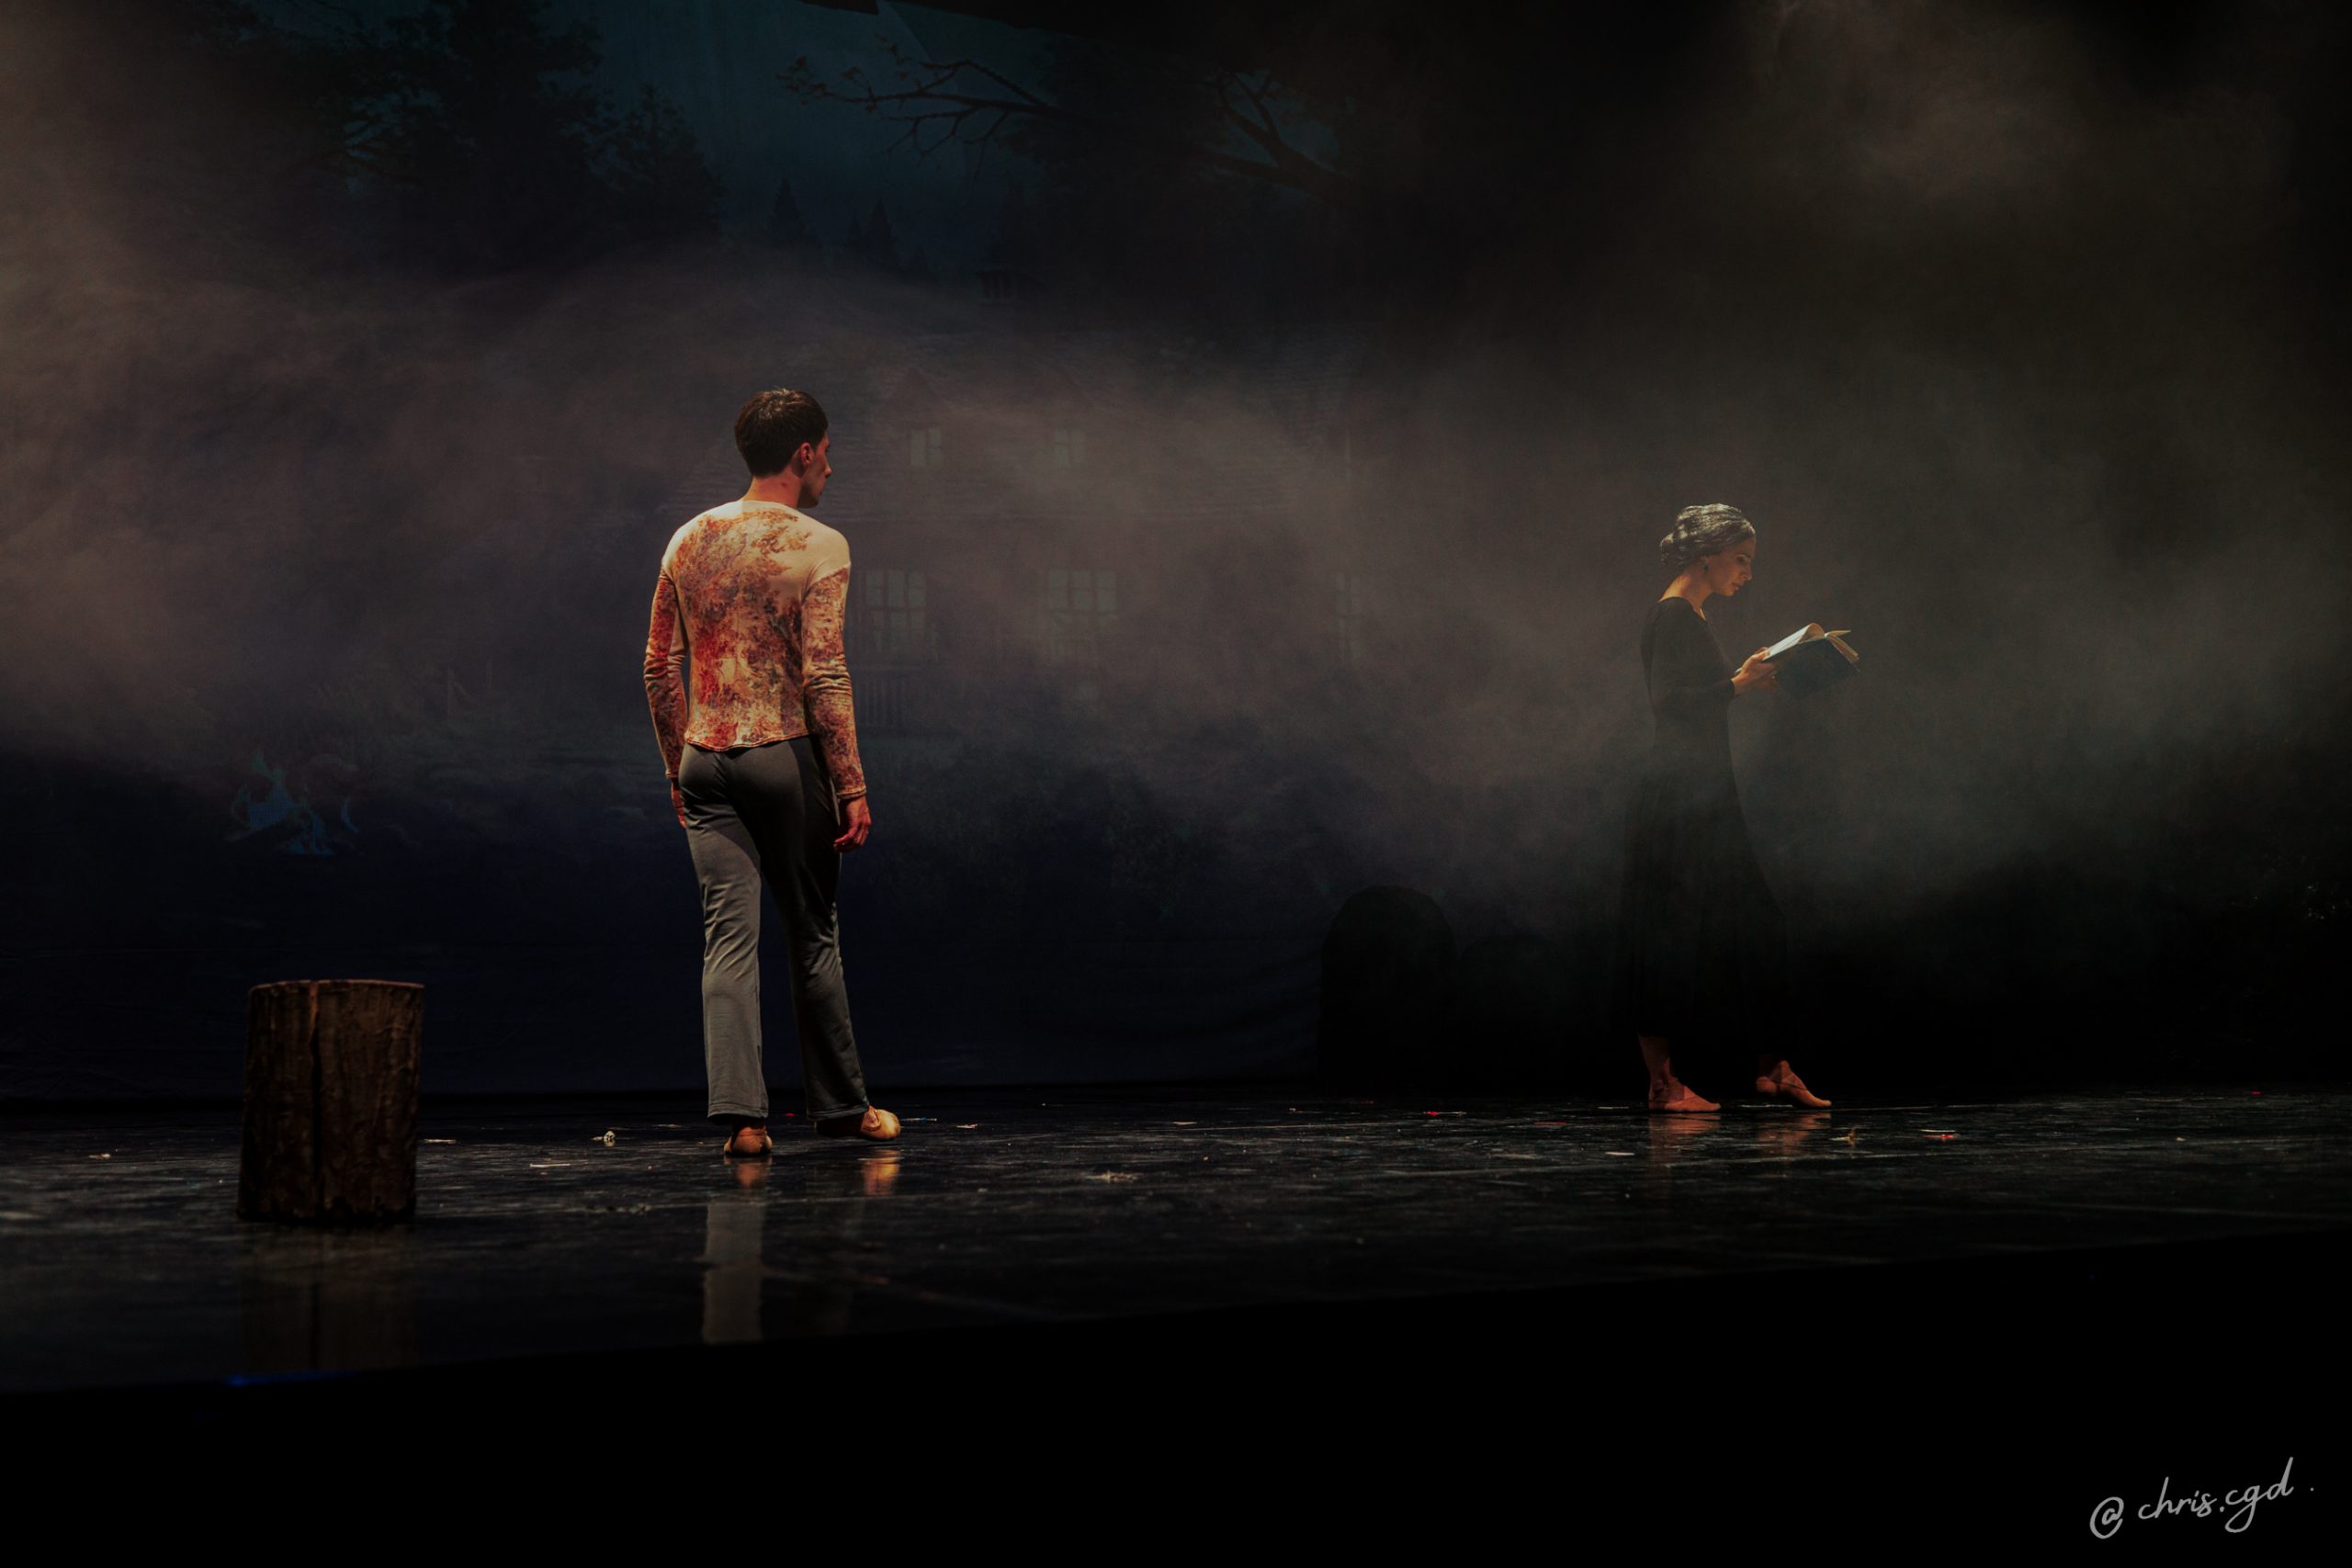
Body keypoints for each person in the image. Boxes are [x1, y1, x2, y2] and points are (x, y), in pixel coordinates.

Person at [642, 388, 901, 1156]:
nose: (831, 468)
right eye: (828, 453)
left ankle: (745, 1124)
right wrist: (851, 783)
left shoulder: (688, 537)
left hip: (704, 757)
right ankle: (843, 1106)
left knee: (726, 939)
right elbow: (825, 674)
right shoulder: (820, 543)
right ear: (804, 453)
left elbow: (658, 668)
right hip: (782, 753)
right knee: (813, 931)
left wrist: (676, 767)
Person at [1613, 503, 1830, 1113]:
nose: (1747, 574)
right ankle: (1663, 1084)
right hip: (1678, 793)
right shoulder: (1672, 614)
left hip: (1707, 789)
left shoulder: (1692, 615)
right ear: (1707, 555)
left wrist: (1743, 678)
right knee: (1664, 931)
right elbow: (1669, 703)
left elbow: (1696, 697)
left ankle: (1773, 1067)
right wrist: (1738, 682)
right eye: (1741, 560)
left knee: (1757, 921)